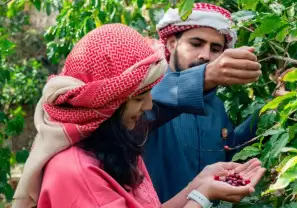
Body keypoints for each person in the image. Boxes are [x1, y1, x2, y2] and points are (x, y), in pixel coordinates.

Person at [12, 24, 265, 208]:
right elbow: (166, 97)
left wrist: (196, 187)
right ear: (107, 102)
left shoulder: (120, 143)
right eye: (138, 97)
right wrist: (201, 197)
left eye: (215, 48)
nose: (148, 105)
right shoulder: (77, 174)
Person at [143, 3, 262, 202]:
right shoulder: (146, 92)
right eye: (196, 44)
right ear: (172, 44)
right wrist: (203, 77)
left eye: (215, 49)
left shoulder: (216, 105)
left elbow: (229, 150)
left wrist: (269, 111)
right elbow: (149, 109)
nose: (205, 55)